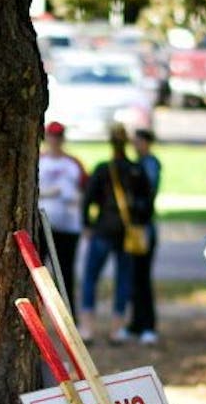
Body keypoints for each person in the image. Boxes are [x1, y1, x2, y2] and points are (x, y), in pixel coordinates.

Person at [79, 124, 151, 343]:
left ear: (110, 143)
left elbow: (87, 199)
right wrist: (138, 222)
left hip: (103, 229)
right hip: (127, 233)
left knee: (90, 277)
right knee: (123, 279)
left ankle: (87, 327)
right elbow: (148, 204)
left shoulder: (103, 169)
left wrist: (87, 225)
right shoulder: (136, 170)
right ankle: (116, 329)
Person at [36, 121, 86, 311]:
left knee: (65, 273)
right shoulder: (39, 160)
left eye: (58, 136)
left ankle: (69, 315)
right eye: (52, 136)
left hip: (68, 226)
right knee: (39, 272)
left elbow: (84, 190)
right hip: (43, 224)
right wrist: (52, 192)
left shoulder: (73, 164)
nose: (55, 140)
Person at [123, 127, 161, 344]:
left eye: (138, 142)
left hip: (144, 229)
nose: (135, 146)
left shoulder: (149, 165)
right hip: (136, 229)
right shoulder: (138, 164)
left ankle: (147, 324)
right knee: (135, 277)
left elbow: (147, 194)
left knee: (143, 278)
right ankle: (137, 323)